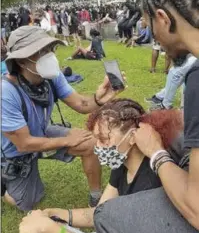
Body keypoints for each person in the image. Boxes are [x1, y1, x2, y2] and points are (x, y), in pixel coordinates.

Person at [91, 0, 199, 233]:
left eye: (149, 26)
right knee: (181, 139)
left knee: (108, 214)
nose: (153, 38)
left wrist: (156, 153)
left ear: (163, 19)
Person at [1, 26, 124, 212]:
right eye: (41, 51)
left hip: (42, 132)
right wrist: (66, 140)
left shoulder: (51, 77)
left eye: (49, 49)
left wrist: (100, 99)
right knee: (27, 203)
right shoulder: (6, 92)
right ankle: (3, 189)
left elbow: (81, 104)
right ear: (21, 60)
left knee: (90, 143)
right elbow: (24, 143)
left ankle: (96, 198)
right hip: (16, 149)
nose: (49, 55)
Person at [19, 98, 187, 233]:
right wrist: (56, 213)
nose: (97, 146)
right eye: (96, 138)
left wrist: (51, 229)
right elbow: (101, 213)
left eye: (104, 139)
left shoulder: (150, 185)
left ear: (132, 136)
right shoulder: (123, 165)